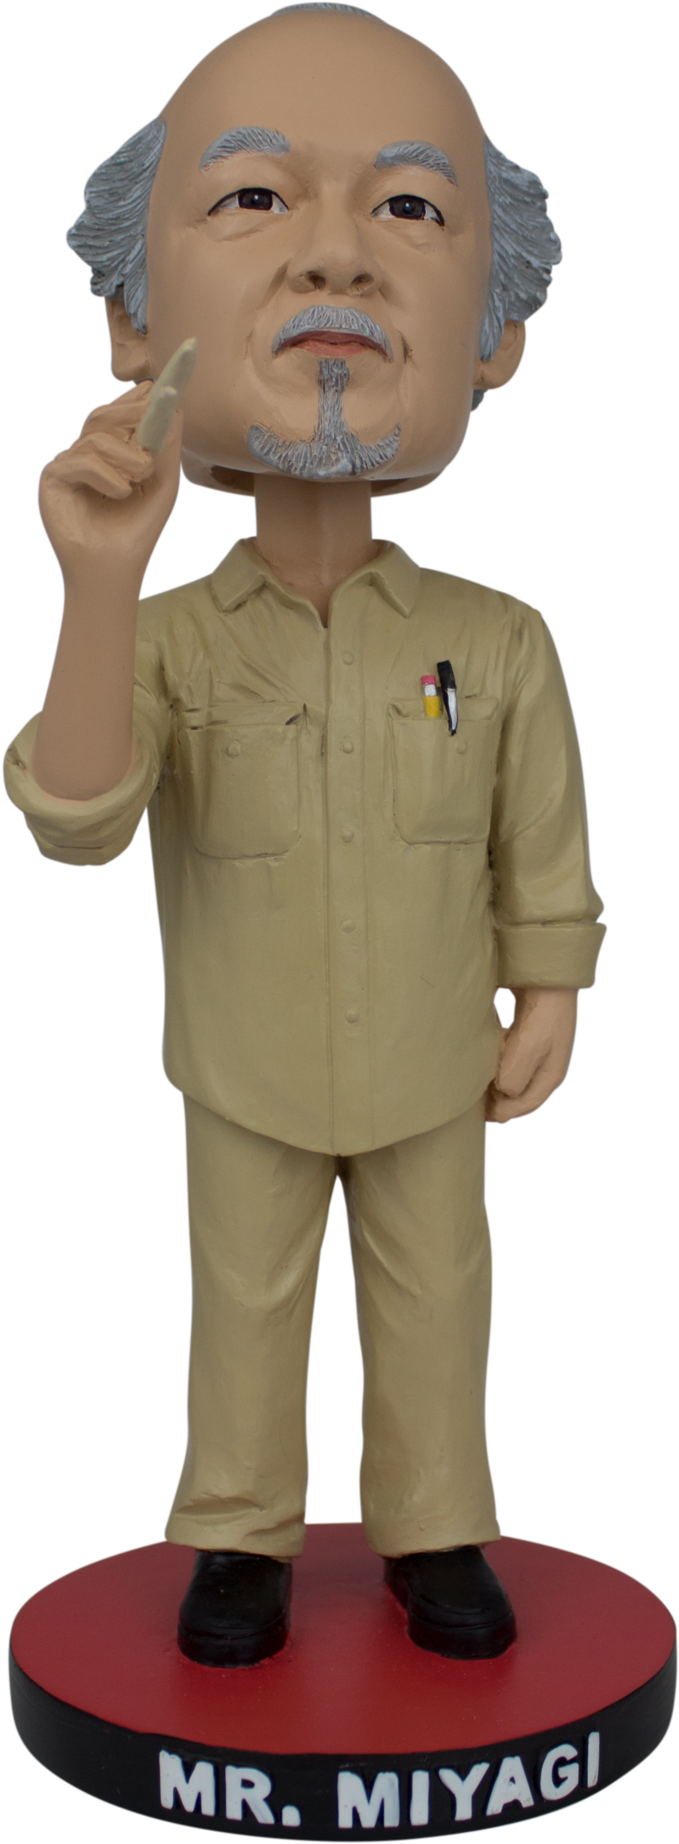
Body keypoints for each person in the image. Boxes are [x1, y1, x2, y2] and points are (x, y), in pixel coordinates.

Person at [2, 4, 605, 1668]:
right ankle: (237, 1536)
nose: (334, 254)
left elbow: (539, 833)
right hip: (242, 1061)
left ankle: (434, 1528)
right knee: (247, 1299)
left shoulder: (495, 641)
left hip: (432, 1055)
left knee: (438, 1293)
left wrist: (551, 985)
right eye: (255, 196)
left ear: (496, 329)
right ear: (131, 314)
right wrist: (101, 582)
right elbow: (76, 820)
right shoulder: (170, 642)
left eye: (408, 207)